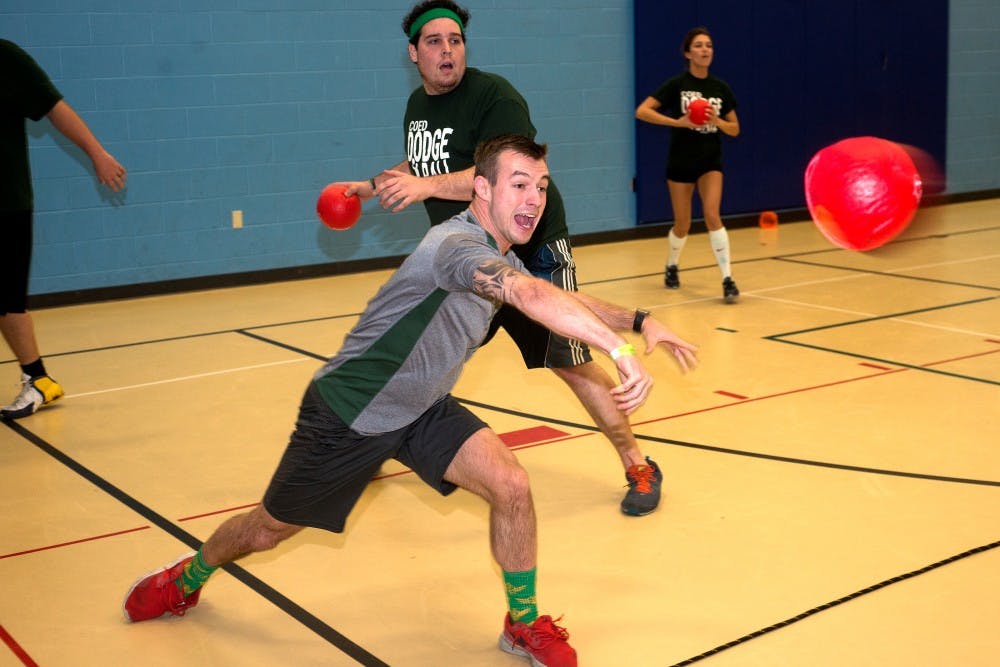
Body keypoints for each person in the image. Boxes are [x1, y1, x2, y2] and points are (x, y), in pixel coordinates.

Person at [122, 135, 698, 667]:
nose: (534, 199)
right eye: (519, 184)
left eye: (542, 187)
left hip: (422, 406)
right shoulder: (455, 246)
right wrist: (617, 350)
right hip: (351, 411)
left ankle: (522, 623)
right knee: (267, 530)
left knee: (512, 486)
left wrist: (643, 320)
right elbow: (527, 292)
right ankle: (187, 577)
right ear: (482, 188)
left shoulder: (502, 250)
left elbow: (559, 295)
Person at [338, 0, 669, 517]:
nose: (447, 51)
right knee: (419, 351)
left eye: (455, 40)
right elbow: (426, 159)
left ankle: (637, 464)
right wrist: (371, 185)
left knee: (572, 364)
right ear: (413, 53)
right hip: (471, 258)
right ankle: (373, 443)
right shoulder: (417, 107)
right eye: (434, 42)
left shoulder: (494, 96)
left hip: (532, 249)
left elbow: (492, 172)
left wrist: (424, 186)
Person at [1, 39, 127, 420]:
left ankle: (38, 380)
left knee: (8, 300)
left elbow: (55, 109)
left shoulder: (6, 58)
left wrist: (97, 153)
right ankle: (39, 379)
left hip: (5, 204)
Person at [635, 26, 741, 303]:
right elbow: (642, 111)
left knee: (712, 215)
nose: (705, 50)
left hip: (710, 162)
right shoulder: (677, 85)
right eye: (699, 45)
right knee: (682, 224)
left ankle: (728, 280)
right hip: (681, 162)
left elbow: (735, 129)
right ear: (687, 52)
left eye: (709, 45)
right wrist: (677, 122)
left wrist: (716, 121)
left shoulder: (720, 88)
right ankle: (671, 265)